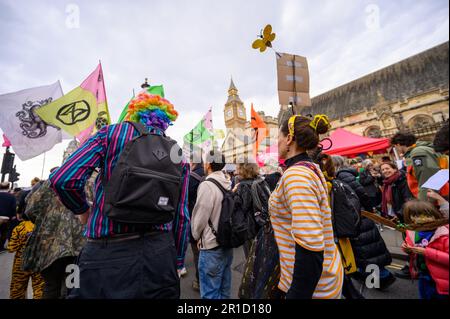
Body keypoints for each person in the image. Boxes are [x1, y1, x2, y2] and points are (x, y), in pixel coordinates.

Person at [50, 90, 190, 299]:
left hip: (106, 253)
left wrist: (83, 210)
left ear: (133, 113)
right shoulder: (177, 153)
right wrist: (177, 262)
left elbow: (63, 179)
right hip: (159, 254)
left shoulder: (111, 134)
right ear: (166, 121)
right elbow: (181, 215)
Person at [269, 114, 343, 299]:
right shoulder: (308, 168)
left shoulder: (297, 175)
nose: (276, 143)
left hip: (316, 289)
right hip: (317, 279)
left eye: (278, 137)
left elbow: (310, 246)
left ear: (288, 139)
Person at [21, 169, 88, 299]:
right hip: (77, 246)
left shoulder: (47, 185)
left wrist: (45, 222)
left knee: (51, 285)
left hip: (49, 246)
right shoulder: (85, 183)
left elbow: (30, 210)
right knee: (72, 286)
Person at [332, 155, 396, 290]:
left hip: (359, 218)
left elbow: (361, 194)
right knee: (366, 251)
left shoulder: (343, 176)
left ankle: (381, 279)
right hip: (358, 217)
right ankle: (375, 278)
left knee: (368, 251)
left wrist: (368, 211)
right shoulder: (342, 175)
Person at [191, 150, 233, 299]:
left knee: (210, 293)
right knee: (224, 290)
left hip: (211, 246)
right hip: (227, 244)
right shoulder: (228, 182)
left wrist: (196, 235)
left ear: (208, 164)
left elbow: (200, 217)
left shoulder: (207, 185)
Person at [402, 200, 449, 299]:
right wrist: (406, 249)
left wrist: (427, 252)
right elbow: (409, 245)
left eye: (426, 215)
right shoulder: (412, 232)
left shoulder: (444, 235)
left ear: (435, 215)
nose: (422, 219)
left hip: (441, 278)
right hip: (422, 274)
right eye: (416, 216)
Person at [391, 132, 448, 201]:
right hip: (439, 195)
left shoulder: (418, 152)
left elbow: (427, 180)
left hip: (437, 198)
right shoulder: (419, 150)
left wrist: (424, 204)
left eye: (395, 147)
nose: (396, 149)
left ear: (398, 144)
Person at [232, 161, 269, 259]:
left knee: (250, 256)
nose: (236, 172)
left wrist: (233, 194)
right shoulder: (261, 181)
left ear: (243, 170)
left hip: (250, 227)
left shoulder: (243, 186)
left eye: (237, 169)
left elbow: (241, 207)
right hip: (261, 223)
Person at [7, 213, 44, 299]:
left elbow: (11, 248)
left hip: (21, 263)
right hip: (37, 261)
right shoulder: (41, 227)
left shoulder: (19, 228)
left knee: (17, 288)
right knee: (39, 288)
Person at [187, 150, 205, 291]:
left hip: (196, 218)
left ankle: (200, 282)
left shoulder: (193, 177)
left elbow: (184, 198)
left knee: (198, 252)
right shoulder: (207, 174)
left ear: (193, 162)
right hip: (210, 220)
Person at [0, 182, 16, 251]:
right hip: (6, 217)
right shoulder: (11, 196)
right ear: (8, 187)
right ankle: (1, 247)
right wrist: (13, 215)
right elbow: (13, 207)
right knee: (4, 232)